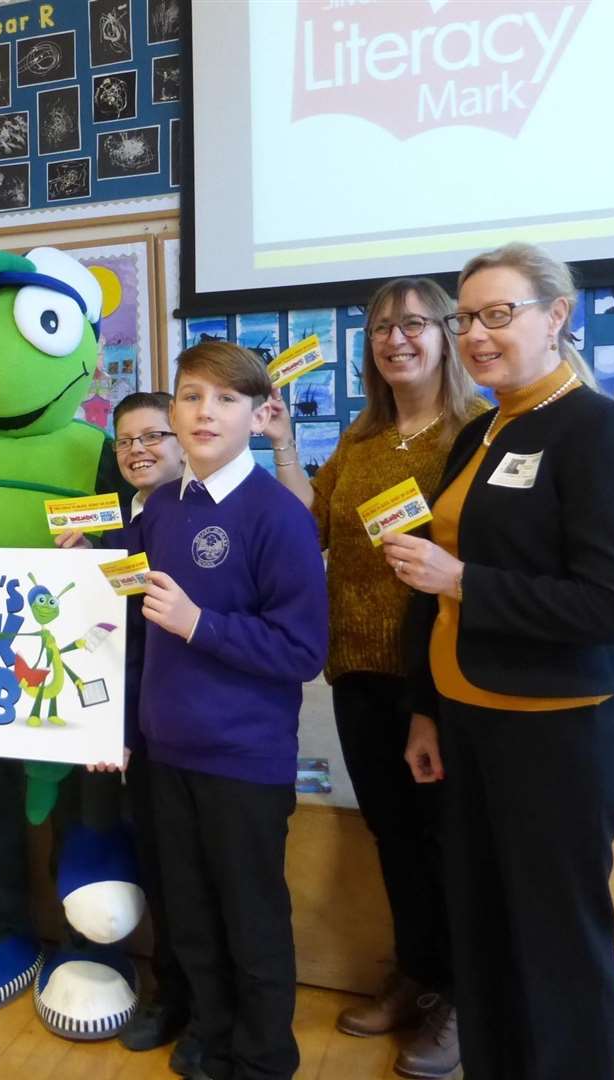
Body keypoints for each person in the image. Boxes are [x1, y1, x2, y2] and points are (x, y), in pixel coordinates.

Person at [385, 243, 614, 1080]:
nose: (474, 335)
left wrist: (462, 578)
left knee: (558, 946)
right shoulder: (484, 432)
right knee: (486, 934)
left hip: (556, 733)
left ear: (557, 317)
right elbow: (434, 592)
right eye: (464, 318)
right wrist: (428, 710)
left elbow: (608, 606)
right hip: (470, 723)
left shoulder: (601, 430)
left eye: (497, 314)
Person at [262, 279, 488, 1079]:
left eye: (414, 325)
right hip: (356, 671)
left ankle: (464, 998)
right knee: (393, 834)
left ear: (446, 336)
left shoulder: (472, 436)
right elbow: (301, 527)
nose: (397, 340)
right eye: (382, 329)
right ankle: (417, 975)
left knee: (447, 839)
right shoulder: (358, 441)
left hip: (438, 676)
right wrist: (285, 446)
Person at [127, 342, 328, 1080]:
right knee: (190, 917)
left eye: (224, 398)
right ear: (171, 413)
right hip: (165, 749)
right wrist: (83, 556)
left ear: (256, 414)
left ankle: (263, 1056)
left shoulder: (278, 516)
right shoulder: (158, 508)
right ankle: (209, 1037)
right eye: (188, 396)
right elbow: (118, 605)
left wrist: (198, 623)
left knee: (250, 921)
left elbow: (301, 650)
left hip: (242, 760)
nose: (204, 412)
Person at [58, 390, 196, 1070]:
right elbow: (103, 636)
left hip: (189, 723)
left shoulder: (199, 518)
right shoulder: (114, 528)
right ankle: (169, 994)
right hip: (129, 724)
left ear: (182, 441)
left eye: (154, 437)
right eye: (126, 442)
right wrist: (76, 563)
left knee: (196, 869)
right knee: (162, 867)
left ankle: (204, 998)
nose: (139, 450)